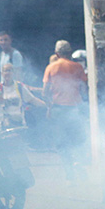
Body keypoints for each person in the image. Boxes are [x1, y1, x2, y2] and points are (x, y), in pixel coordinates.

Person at [42, 40, 88, 181]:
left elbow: (45, 92)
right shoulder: (78, 67)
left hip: (58, 110)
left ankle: (69, 173)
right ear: (69, 52)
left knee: (62, 143)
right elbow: (85, 88)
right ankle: (78, 163)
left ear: (57, 53)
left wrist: (49, 107)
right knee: (77, 139)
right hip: (75, 108)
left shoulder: (51, 67)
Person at [0, 62, 45, 129]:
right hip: (1, 126)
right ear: (2, 74)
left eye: (10, 70)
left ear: (13, 73)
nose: (7, 73)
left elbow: (32, 100)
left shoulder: (19, 86)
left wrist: (46, 105)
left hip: (18, 124)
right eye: (5, 71)